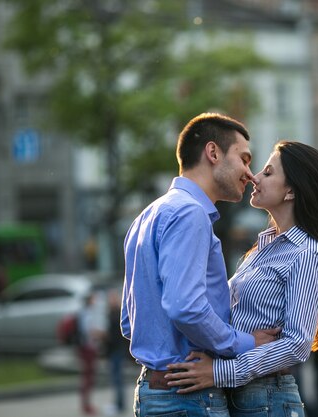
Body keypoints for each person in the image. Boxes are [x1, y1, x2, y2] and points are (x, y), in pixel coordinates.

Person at [165, 141, 318, 417]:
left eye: (267, 172)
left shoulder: (306, 253)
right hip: (243, 397)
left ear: (291, 191)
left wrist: (219, 372)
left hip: (267, 399)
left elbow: (296, 345)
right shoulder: (264, 247)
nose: (254, 176)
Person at [121, 113, 279, 417]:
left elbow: (130, 322)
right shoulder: (190, 214)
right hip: (188, 398)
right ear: (213, 152)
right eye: (244, 159)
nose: (250, 173)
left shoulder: (147, 216)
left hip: (156, 393)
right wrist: (243, 343)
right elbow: (185, 306)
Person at [77, 290, 106, 415]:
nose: (95, 301)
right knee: (88, 377)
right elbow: (90, 332)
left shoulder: (86, 313)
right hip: (87, 348)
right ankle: (86, 405)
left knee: (88, 377)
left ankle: (86, 404)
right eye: (93, 299)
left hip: (88, 348)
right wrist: (101, 334)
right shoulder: (87, 314)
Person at [104, 289, 128, 415]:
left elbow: (115, 336)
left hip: (116, 351)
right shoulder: (110, 314)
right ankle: (119, 404)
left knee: (118, 379)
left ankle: (120, 405)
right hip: (114, 351)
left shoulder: (116, 315)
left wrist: (104, 336)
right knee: (116, 379)